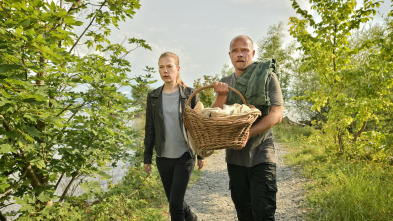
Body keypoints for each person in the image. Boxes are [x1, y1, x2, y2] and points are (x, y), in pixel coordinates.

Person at [212, 35, 284, 221]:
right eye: (235, 51)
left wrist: (248, 133)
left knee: (264, 213)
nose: (240, 54)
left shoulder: (267, 77)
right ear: (230, 55)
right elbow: (215, 118)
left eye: (244, 50)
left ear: (252, 53)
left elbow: (277, 114)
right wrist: (221, 96)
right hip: (235, 158)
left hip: (262, 155)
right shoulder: (225, 82)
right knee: (244, 213)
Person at [144, 52, 204, 221]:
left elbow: (197, 127)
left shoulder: (189, 94)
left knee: (175, 206)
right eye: (161, 67)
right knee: (174, 201)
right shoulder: (153, 96)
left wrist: (200, 154)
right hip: (163, 158)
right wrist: (147, 157)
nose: (165, 70)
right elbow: (150, 128)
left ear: (177, 69)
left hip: (185, 156)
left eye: (169, 66)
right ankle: (192, 218)